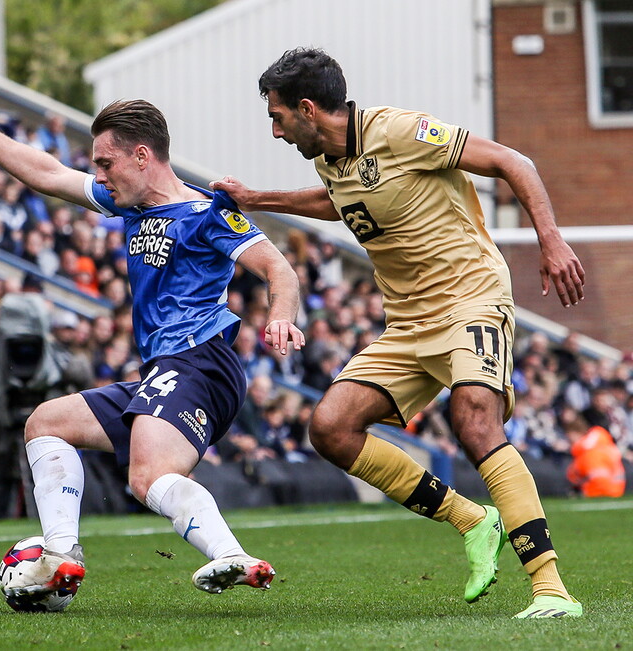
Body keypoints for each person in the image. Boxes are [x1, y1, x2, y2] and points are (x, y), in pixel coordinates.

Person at [211, 47, 586, 618]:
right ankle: (471, 519)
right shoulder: (328, 159)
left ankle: (550, 588)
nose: (275, 130)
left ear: (308, 110)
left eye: (278, 116)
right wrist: (260, 199)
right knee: (331, 427)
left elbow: (516, 162)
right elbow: (342, 202)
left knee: (474, 416)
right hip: (409, 321)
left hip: (471, 298)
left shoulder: (402, 131)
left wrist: (552, 242)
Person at [0, 89, 305, 600]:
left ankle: (231, 555)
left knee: (147, 476)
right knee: (46, 424)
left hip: (201, 361)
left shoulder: (208, 213)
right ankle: (61, 556)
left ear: (142, 156)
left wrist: (280, 317)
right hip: (165, 371)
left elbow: (279, 269)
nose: (98, 175)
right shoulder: (129, 206)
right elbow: (48, 173)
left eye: (106, 162)